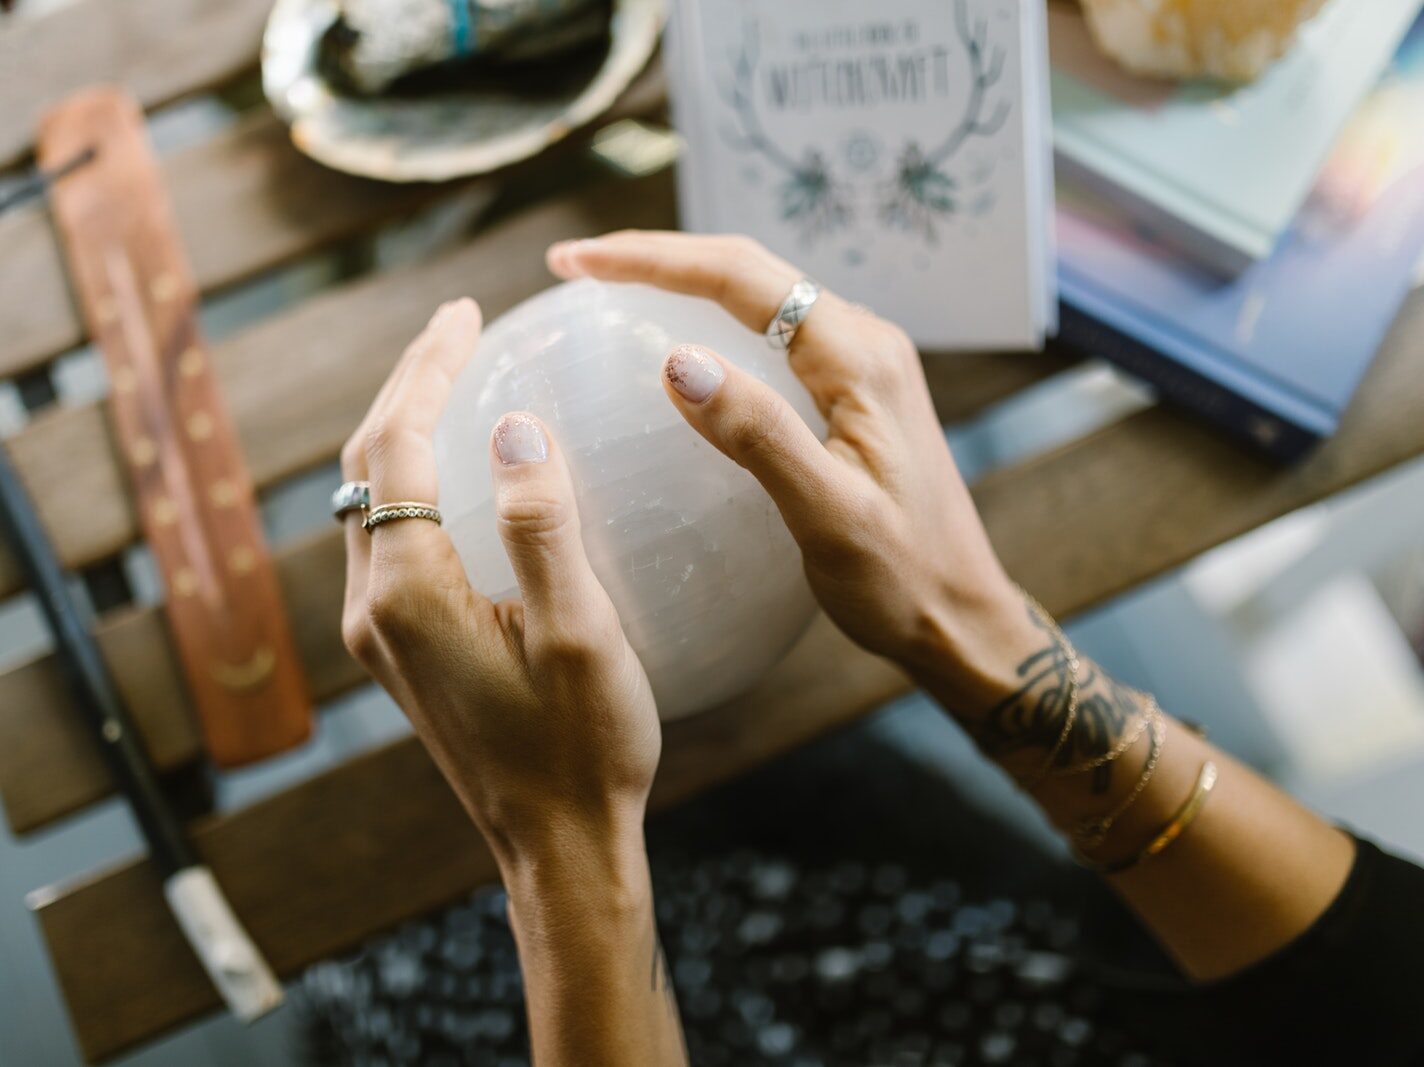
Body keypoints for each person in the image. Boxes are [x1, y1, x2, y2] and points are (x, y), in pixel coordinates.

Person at [335, 231, 1424, 1066]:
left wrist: (556, 849)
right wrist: (971, 628)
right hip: (1022, 964)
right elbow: (1383, 990)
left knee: (401, 958)